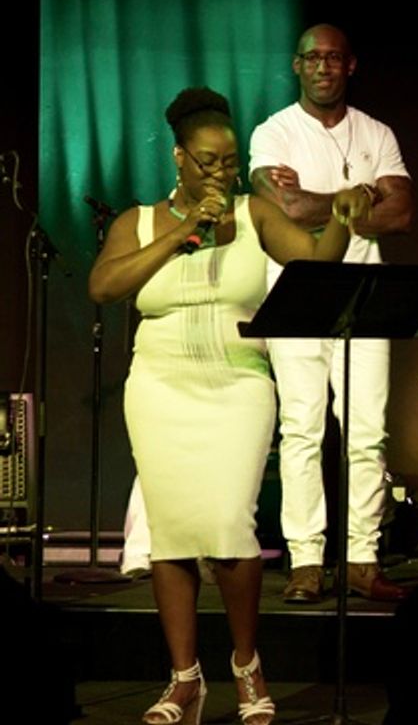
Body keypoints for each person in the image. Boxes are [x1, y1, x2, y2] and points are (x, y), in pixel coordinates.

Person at [88, 87, 371, 725]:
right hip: (159, 385)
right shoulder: (134, 223)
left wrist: (345, 219)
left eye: (230, 160)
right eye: (209, 161)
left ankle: (246, 664)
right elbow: (104, 286)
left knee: (229, 526)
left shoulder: (256, 212)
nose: (223, 171)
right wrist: (184, 232)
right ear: (180, 160)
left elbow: (316, 265)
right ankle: (185, 680)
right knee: (172, 536)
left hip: (240, 381)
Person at [249, 24, 414, 603]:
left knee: (367, 431)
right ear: (296, 66)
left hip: (367, 292)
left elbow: (401, 216)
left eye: (333, 58)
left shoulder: (377, 132)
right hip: (298, 290)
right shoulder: (274, 132)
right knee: (302, 428)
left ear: (351, 66)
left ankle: (363, 558)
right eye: (311, 58)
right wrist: (363, 195)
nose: (322, 67)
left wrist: (329, 208)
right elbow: (282, 206)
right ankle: (306, 560)